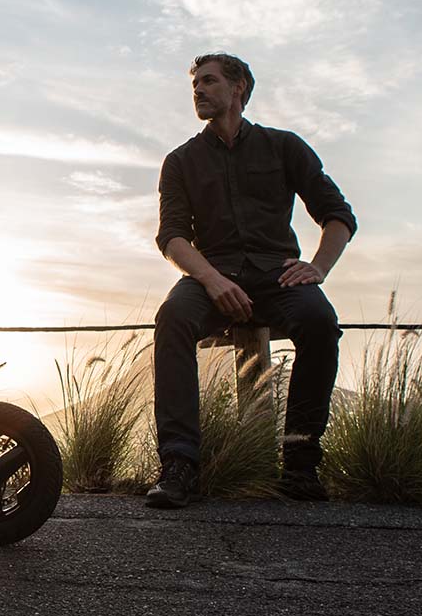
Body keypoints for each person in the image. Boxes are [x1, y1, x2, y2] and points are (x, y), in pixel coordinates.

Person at [147, 53, 356, 509]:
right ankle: (179, 464)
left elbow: (338, 215)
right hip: (210, 273)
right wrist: (212, 280)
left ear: (239, 86)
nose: (198, 90)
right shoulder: (181, 160)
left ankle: (300, 463)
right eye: (195, 85)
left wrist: (318, 267)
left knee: (319, 322)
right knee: (172, 319)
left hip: (278, 273)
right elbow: (173, 237)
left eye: (208, 81)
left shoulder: (284, 147)